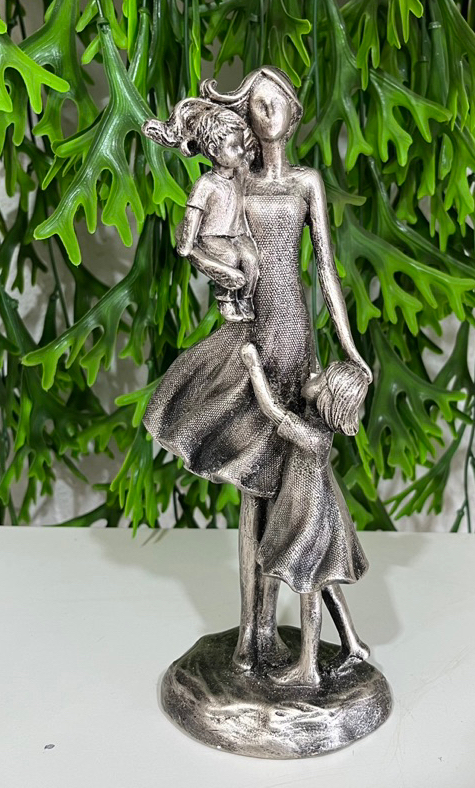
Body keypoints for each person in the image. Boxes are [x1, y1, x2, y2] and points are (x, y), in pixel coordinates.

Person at [143, 68, 372, 673]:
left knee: (293, 476)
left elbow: (325, 270)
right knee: (254, 484)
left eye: (277, 103)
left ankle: (297, 627)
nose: (266, 113)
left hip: (295, 332)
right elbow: (204, 239)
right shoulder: (232, 180)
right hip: (253, 332)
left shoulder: (305, 182)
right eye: (257, 104)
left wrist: (350, 350)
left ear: (294, 114)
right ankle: (254, 631)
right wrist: (223, 274)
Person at [240, 342, 370, 686]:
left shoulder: (313, 436)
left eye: (321, 378)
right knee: (325, 583)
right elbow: (311, 377)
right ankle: (353, 643)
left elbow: (272, 411)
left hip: (309, 518)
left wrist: (254, 366)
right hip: (318, 509)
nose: (314, 373)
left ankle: (308, 667)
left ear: (325, 399)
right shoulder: (316, 419)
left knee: (309, 589)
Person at [142, 100, 259, 322]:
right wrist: (187, 243)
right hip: (212, 237)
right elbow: (193, 213)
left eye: (241, 145)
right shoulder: (206, 184)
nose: (241, 151)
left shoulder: (239, 175)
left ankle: (246, 299)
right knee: (230, 257)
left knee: (251, 259)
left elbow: (250, 156)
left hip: (238, 234)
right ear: (214, 150)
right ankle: (226, 301)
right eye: (234, 147)